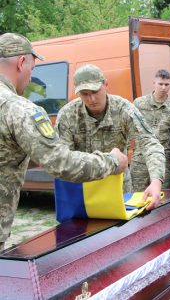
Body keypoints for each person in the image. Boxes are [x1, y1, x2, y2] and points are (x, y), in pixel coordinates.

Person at [0, 33, 126, 251]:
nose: (31, 78)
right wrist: (112, 161)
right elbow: (60, 162)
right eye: (32, 68)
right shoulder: (17, 108)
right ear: (21, 62)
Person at [56, 64, 165, 207]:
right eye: (85, 94)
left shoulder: (123, 109)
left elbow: (149, 143)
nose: (92, 99)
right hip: (82, 192)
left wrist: (156, 181)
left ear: (106, 84)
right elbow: (62, 159)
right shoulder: (68, 115)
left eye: (95, 91)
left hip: (119, 190)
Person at [131, 69, 170, 190]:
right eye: (160, 84)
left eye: (167, 84)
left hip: (163, 161)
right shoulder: (139, 103)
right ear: (154, 83)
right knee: (136, 197)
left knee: (161, 197)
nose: (163, 87)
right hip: (140, 160)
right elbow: (128, 128)